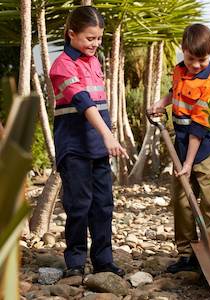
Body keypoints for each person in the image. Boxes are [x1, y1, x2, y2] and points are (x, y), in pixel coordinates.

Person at [50, 6, 128, 277]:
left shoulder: (94, 61)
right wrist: (108, 134)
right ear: (72, 34)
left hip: (97, 147)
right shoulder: (62, 65)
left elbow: (99, 101)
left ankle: (103, 260)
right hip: (74, 147)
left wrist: (107, 132)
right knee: (79, 204)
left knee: (104, 204)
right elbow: (83, 101)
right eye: (89, 38)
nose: (95, 44)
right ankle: (75, 262)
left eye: (98, 39)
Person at [149, 23, 210, 273]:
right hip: (181, 147)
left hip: (204, 150)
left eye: (201, 60)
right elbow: (176, 92)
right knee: (182, 202)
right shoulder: (179, 70)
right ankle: (186, 256)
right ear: (183, 50)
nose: (195, 65)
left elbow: (198, 128)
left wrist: (187, 164)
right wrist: (161, 103)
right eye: (191, 58)